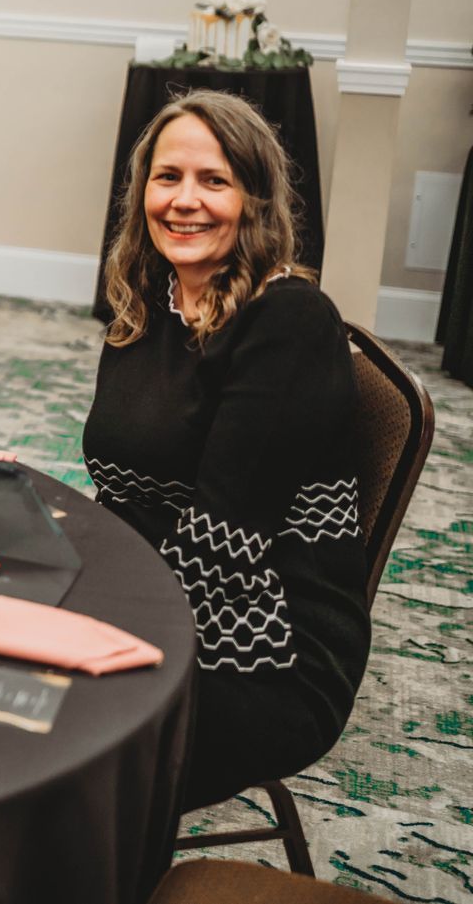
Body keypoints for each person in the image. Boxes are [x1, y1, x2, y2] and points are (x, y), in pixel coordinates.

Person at [82, 89, 367, 811]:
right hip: (155, 592)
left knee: (38, 719)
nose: (185, 201)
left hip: (267, 647)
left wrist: (76, 626)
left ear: (256, 200)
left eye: (215, 180)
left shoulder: (291, 322)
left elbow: (220, 547)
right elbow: (119, 497)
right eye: (167, 176)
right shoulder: (151, 300)